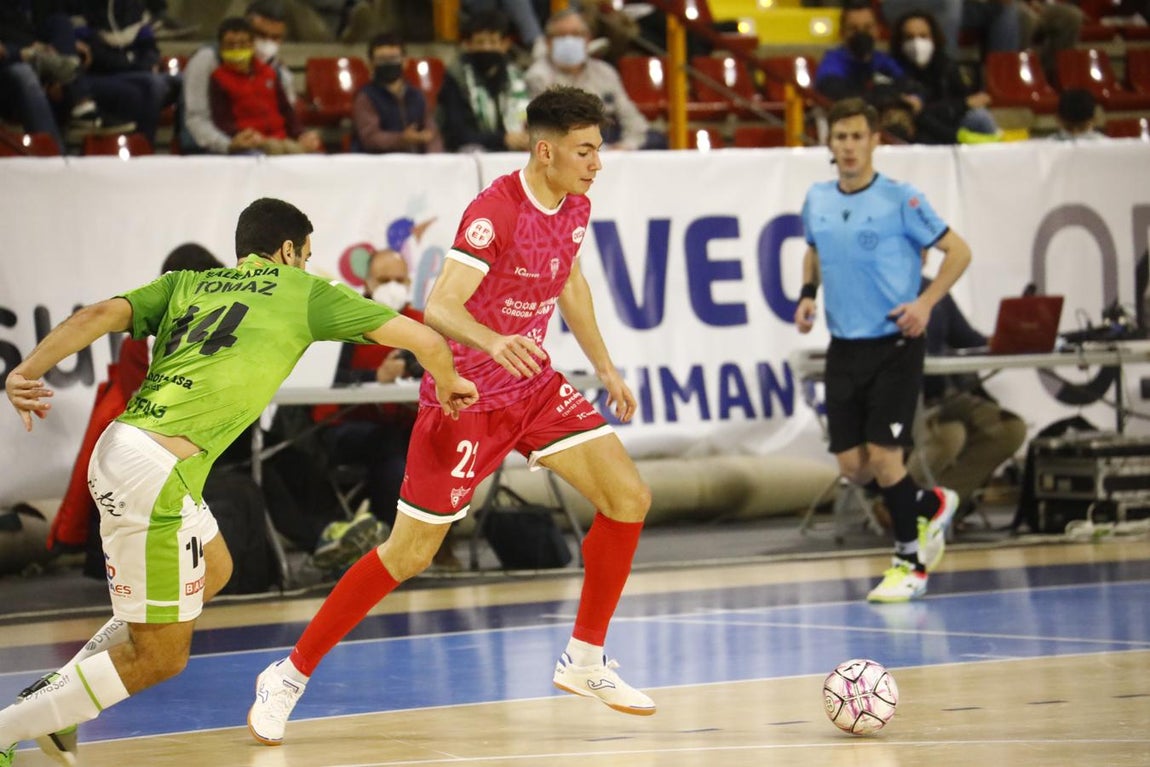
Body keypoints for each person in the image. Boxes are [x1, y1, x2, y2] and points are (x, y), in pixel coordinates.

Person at [0, 197, 477, 767]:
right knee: (161, 656)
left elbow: (92, 318)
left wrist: (25, 370)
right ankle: (19, 721)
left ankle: (61, 707)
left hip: (129, 450)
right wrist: (447, 382)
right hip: (155, 474)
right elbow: (426, 341)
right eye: (305, 255)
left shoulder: (187, 283)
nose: (306, 264)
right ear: (286, 252)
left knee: (216, 567)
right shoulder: (304, 292)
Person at [246, 86, 657, 746]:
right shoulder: (495, 211)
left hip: (534, 391)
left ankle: (584, 658)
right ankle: (288, 673)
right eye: (585, 151)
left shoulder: (575, 202)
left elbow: (570, 281)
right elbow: (439, 305)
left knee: (629, 496)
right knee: (407, 553)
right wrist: (493, 341)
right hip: (465, 400)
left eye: (598, 150)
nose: (596, 164)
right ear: (545, 150)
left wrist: (605, 367)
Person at [793, 97, 969, 603]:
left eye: (857, 136)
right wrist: (808, 295)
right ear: (829, 144)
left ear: (874, 140)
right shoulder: (818, 198)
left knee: (886, 457)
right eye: (840, 137)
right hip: (844, 345)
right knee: (852, 467)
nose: (848, 146)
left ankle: (908, 562)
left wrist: (927, 304)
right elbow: (814, 248)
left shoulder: (901, 199)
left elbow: (959, 251)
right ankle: (930, 503)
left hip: (895, 341)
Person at [310, 248, 462, 571]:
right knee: (395, 447)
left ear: (408, 281)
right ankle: (399, 548)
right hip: (345, 427)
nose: (392, 286)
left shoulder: (422, 323)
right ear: (367, 281)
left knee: (445, 447)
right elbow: (327, 378)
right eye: (383, 280)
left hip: (401, 427)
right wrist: (374, 377)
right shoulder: (346, 318)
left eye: (398, 279)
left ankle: (434, 542)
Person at [915, 278, 1027, 524]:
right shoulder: (876, 289)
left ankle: (930, 507)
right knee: (950, 435)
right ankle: (899, 505)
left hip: (940, 397)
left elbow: (967, 339)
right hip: (899, 401)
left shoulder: (935, 289)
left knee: (1009, 428)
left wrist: (1013, 337)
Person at [180, 0, 307, 154]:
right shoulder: (207, 59)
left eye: (275, 37)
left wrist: (301, 136)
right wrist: (229, 144)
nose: (268, 43)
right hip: (215, 146)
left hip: (269, 143)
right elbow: (196, 119)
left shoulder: (278, 72)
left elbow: (287, 114)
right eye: (261, 35)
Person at [524, 8, 662, 151]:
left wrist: (628, 144)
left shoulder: (605, 71)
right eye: (562, 35)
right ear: (548, 42)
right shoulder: (537, 75)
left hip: (609, 133)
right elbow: (549, 124)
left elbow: (630, 115)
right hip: (565, 138)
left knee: (656, 140)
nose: (569, 41)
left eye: (576, 34)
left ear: (588, 39)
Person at [209, 17, 323, 155]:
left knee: (312, 154)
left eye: (242, 44)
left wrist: (300, 134)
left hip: (280, 137)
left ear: (252, 45)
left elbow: (286, 110)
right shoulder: (219, 79)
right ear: (221, 48)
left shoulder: (269, 73)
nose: (236, 49)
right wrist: (240, 136)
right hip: (250, 141)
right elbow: (222, 120)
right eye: (230, 45)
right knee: (271, 151)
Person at [890, 10, 1000, 144]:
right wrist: (961, 105)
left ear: (934, 38)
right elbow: (908, 114)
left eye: (923, 36)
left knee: (979, 118)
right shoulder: (891, 70)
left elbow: (966, 103)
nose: (917, 43)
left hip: (947, 126)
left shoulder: (947, 67)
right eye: (909, 37)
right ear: (899, 41)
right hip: (915, 131)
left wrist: (960, 106)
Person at [437, 10, 532, 153]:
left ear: (505, 44)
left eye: (493, 42)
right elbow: (457, 133)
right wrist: (502, 139)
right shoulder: (456, 78)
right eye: (480, 42)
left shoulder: (517, 78)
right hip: (468, 156)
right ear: (468, 45)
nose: (487, 48)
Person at [351, 32, 443, 153]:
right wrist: (401, 139)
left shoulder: (417, 96)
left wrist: (434, 158)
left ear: (405, 62)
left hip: (416, 164)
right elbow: (370, 138)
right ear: (371, 64)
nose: (388, 64)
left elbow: (431, 134)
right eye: (382, 60)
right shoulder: (366, 97)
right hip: (380, 165)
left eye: (393, 58)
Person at [815, 3, 917, 111]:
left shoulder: (882, 60)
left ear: (878, 30)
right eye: (853, 29)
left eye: (867, 28)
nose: (861, 34)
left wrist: (916, 98)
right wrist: (893, 99)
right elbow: (838, 93)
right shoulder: (833, 62)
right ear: (842, 33)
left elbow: (910, 85)